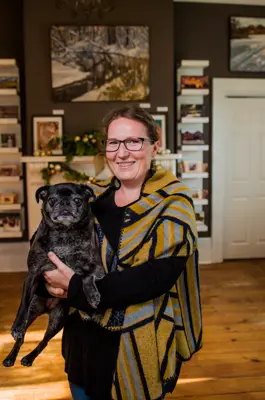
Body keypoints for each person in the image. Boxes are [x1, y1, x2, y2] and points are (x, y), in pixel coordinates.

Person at [42, 105, 202, 400]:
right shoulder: (91, 197)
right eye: (113, 142)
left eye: (133, 141)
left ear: (155, 146)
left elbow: (154, 279)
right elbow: (50, 248)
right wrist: (50, 282)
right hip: (83, 345)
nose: (122, 152)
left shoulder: (174, 204)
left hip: (140, 345)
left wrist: (75, 287)